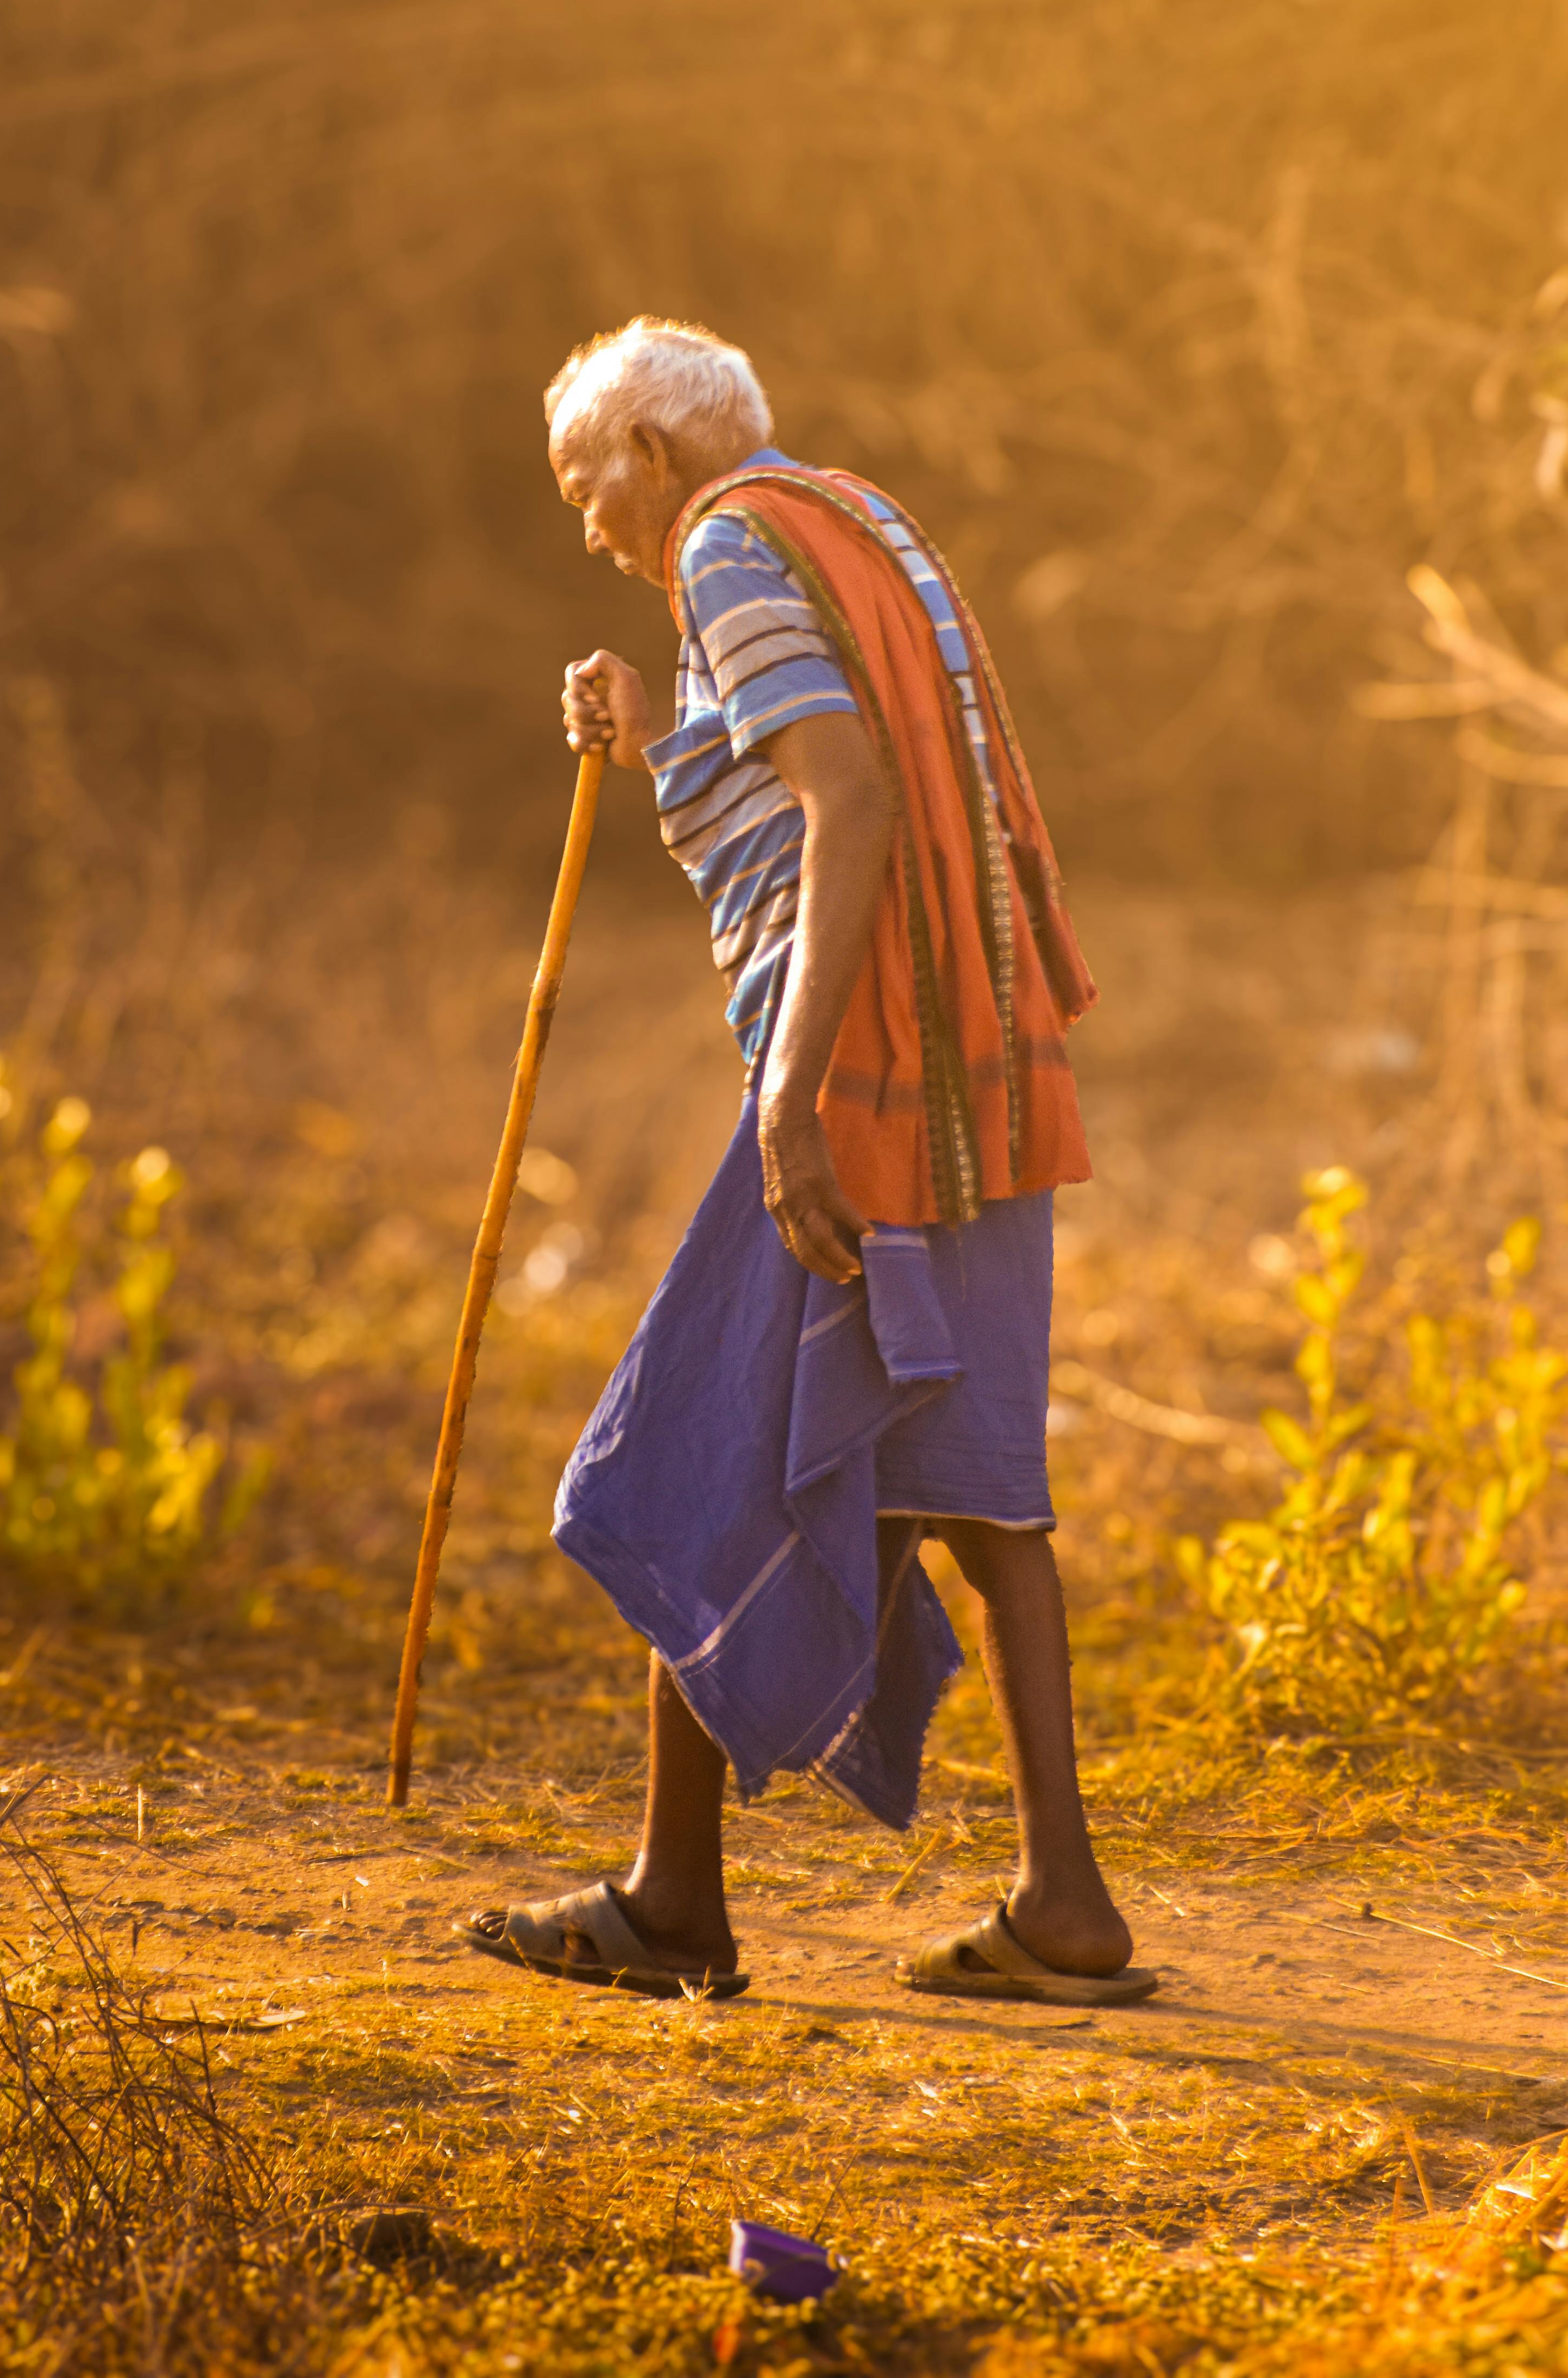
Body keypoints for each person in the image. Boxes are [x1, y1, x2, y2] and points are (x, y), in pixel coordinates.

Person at [461, 317, 1153, 2010]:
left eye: (588, 489)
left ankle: (675, 1900)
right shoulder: (857, 524)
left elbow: (847, 805)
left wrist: (789, 1106)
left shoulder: (722, 546)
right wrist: (654, 733)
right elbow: (800, 788)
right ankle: (1065, 1903)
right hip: (980, 1071)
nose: (592, 530)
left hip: (857, 1086)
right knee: (989, 1500)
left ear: (660, 454)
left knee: (689, 1453)